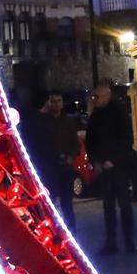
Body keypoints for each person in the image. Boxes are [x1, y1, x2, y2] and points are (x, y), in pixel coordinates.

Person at [84, 82, 137, 255]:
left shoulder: (119, 114)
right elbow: (90, 141)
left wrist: (114, 160)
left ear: (106, 96)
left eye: (97, 97)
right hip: (104, 169)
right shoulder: (96, 116)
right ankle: (111, 242)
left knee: (124, 205)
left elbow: (126, 140)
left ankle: (129, 242)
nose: (94, 100)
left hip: (119, 167)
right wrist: (96, 161)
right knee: (108, 206)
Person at [25, 92, 77, 226]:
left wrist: (70, 157)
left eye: (59, 101)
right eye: (53, 101)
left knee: (67, 204)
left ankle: (71, 232)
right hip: (50, 168)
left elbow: (75, 143)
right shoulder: (43, 121)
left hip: (65, 168)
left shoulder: (67, 122)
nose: (56, 104)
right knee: (51, 202)